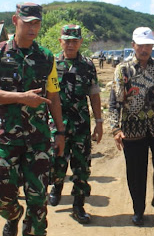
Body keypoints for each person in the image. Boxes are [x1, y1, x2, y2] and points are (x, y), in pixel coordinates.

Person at [0, 2, 64, 236]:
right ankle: (14, 215)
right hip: (5, 138)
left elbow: (54, 97)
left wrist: (60, 132)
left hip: (38, 140)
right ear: (15, 21)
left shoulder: (47, 58)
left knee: (38, 202)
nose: (32, 28)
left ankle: (32, 227)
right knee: (1, 196)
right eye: (28, 23)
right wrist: (20, 98)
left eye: (36, 23)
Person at [109, 27, 154, 226]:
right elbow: (115, 101)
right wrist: (115, 128)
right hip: (132, 127)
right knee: (136, 171)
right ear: (133, 46)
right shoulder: (123, 69)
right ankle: (138, 209)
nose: (145, 49)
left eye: (148, 45)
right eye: (141, 45)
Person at [48, 25, 103, 224]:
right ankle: (56, 185)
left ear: (80, 42)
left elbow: (94, 94)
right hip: (57, 125)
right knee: (56, 161)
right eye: (67, 40)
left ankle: (78, 205)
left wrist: (99, 121)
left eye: (74, 41)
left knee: (82, 167)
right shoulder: (51, 63)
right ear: (60, 41)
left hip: (80, 125)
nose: (70, 44)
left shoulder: (88, 65)